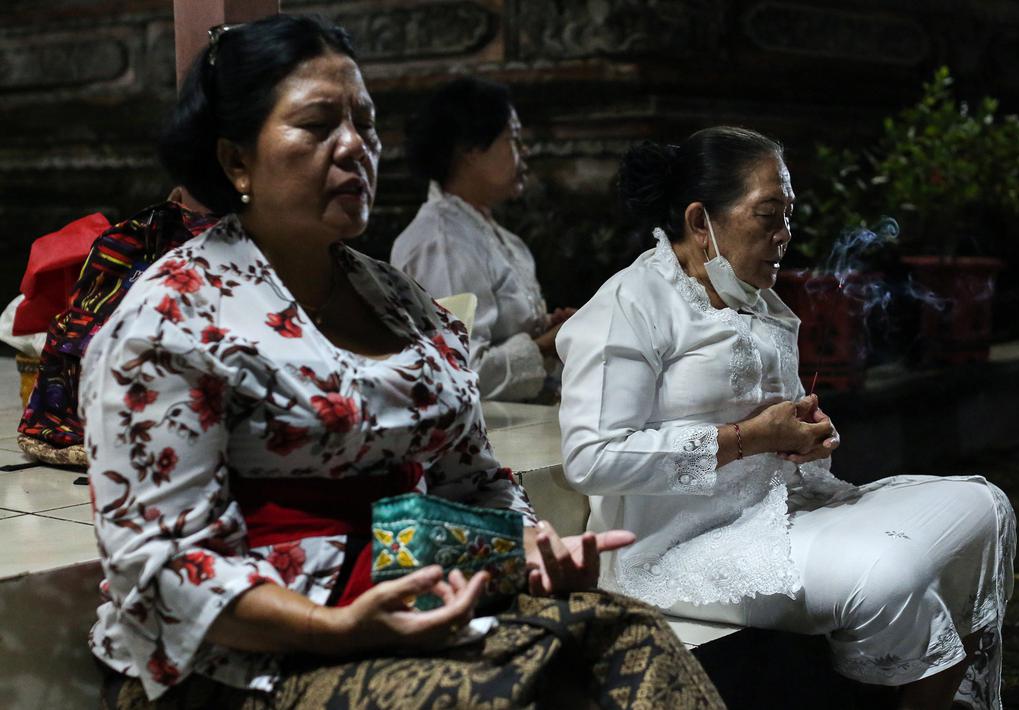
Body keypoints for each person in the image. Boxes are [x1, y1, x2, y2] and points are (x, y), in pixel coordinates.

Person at [81, 15, 721, 708]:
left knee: (627, 637)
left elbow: (474, 480)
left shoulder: (397, 299)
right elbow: (162, 566)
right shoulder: (171, 318)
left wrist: (529, 544)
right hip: (244, 656)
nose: (354, 146)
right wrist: (335, 628)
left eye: (366, 123)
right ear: (237, 160)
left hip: (406, 595)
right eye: (318, 123)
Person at [557, 126, 1017, 710]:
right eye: (768, 214)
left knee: (986, 508)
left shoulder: (756, 299)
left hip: (779, 511)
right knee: (892, 575)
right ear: (702, 222)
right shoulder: (630, 304)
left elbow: (780, 421)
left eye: (789, 215)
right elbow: (590, 457)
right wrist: (748, 438)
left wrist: (805, 435)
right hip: (678, 546)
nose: (784, 236)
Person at [390, 77, 573, 402]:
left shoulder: (500, 238)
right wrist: (549, 343)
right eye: (513, 139)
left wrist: (546, 327)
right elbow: (460, 370)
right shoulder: (441, 241)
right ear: (470, 150)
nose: (524, 151)